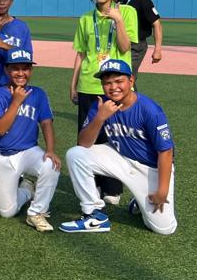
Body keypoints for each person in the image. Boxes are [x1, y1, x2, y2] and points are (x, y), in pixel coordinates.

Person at [62, 59, 177, 235]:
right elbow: (83, 143)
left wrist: (161, 191)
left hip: (150, 169)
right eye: (107, 83)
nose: (113, 87)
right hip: (120, 158)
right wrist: (100, 117)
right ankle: (93, 214)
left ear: (131, 81)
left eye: (118, 81)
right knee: (75, 154)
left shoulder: (149, 110)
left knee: (164, 229)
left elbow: (166, 152)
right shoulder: (102, 105)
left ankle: (140, 200)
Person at [69, 0, 138, 206]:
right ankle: (93, 185)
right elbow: (81, 53)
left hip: (115, 86)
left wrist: (118, 20)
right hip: (89, 84)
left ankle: (113, 187)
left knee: (115, 136)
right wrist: (73, 83)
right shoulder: (85, 18)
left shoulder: (128, 13)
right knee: (90, 137)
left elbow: (125, 47)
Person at [0, 49, 60, 232]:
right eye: (15, 68)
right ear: (6, 70)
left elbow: (46, 123)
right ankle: (27, 189)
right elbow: (0, 130)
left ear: (30, 71)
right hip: (0, 155)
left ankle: (36, 213)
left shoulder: (38, 94)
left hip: (28, 151)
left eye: (25, 68)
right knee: (7, 212)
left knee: (51, 165)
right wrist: (16, 102)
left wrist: (50, 150)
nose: (20, 73)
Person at [114, 0, 164, 74]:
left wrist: (158, 49)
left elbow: (157, 24)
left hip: (135, 46)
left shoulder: (143, 2)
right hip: (115, 42)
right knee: (111, 75)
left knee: (125, 75)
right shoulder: (112, 0)